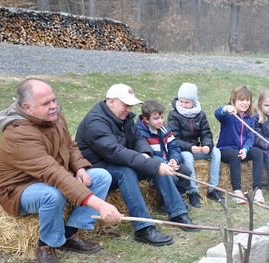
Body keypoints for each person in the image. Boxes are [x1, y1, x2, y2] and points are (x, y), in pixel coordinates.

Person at [0, 78, 123, 263]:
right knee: (51, 194)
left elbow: (69, 146)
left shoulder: (53, 117)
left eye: (54, 100)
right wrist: (100, 205)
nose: (54, 106)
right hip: (18, 189)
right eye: (46, 103)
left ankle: (69, 235)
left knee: (101, 176)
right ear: (27, 107)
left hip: (51, 176)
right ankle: (47, 245)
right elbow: (54, 174)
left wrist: (79, 168)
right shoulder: (18, 134)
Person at [76, 84, 198, 244]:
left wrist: (146, 155)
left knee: (158, 160)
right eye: (126, 105)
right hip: (100, 169)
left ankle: (177, 212)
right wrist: (151, 165)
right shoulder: (96, 122)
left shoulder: (124, 118)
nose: (129, 109)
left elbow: (138, 138)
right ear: (111, 101)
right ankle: (143, 228)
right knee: (127, 172)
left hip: (119, 161)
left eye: (131, 105)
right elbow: (114, 151)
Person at [167, 83, 223, 207]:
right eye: (181, 101)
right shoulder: (174, 115)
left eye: (186, 102)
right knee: (187, 156)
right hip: (182, 150)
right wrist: (189, 147)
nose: (182, 105)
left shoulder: (200, 114)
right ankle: (193, 192)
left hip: (197, 148)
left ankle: (213, 188)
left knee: (217, 152)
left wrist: (207, 145)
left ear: (194, 101)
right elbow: (174, 138)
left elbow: (206, 133)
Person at [136, 100, 194, 210]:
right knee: (170, 177)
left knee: (186, 171)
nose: (160, 121)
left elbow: (174, 147)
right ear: (146, 119)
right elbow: (148, 155)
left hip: (168, 162)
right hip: (153, 167)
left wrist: (174, 160)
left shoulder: (164, 130)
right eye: (156, 118)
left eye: (162, 117)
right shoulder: (140, 133)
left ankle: (180, 196)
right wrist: (166, 164)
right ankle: (167, 202)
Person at [215, 85, 264, 204]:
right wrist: (226, 108)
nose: (245, 103)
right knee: (234, 154)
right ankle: (237, 190)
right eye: (241, 100)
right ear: (233, 100)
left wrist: (246, 149)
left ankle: (257, 189)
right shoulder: (228, 115)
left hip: (242, 150)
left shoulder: (250, 117)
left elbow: (250, 136)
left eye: (247, 100)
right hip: (226, 150)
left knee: (257, 152)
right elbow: (217, 114)